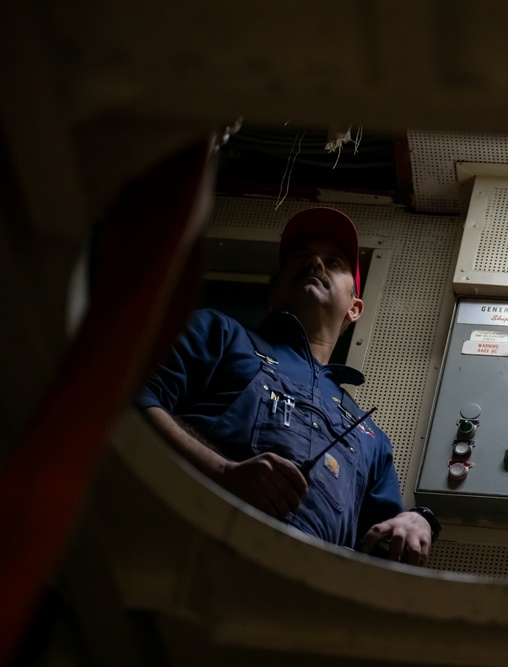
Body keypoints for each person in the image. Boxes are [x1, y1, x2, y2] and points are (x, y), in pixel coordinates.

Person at [137, 206, 439, 565]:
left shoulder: (370, 437)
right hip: (182, 549)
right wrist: (222, 473)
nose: (314, 262)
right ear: (273, 293)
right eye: (300, 256)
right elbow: (128, 400)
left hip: (298, 598)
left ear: (354, 308)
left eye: (334, 261)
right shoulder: (219, 334)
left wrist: (418, 519)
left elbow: (384, 542)